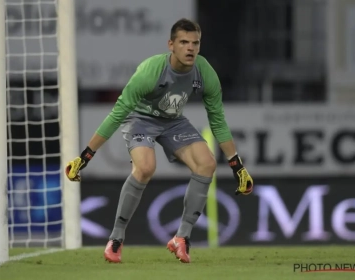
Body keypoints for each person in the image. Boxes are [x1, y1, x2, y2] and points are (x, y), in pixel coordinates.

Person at [65, 18, 253, 264]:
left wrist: (237, 166)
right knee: (145, 167)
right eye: (183, 42)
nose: (190, 48)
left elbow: (217, 120)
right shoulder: (150, 72)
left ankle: (182, 238)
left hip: (173, 121)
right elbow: (117, 114)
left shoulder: (205, 72)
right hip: (140, 119)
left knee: (206, 164)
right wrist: (85, 156)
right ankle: (117, 237)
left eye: (195, 43)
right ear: (171, 45)